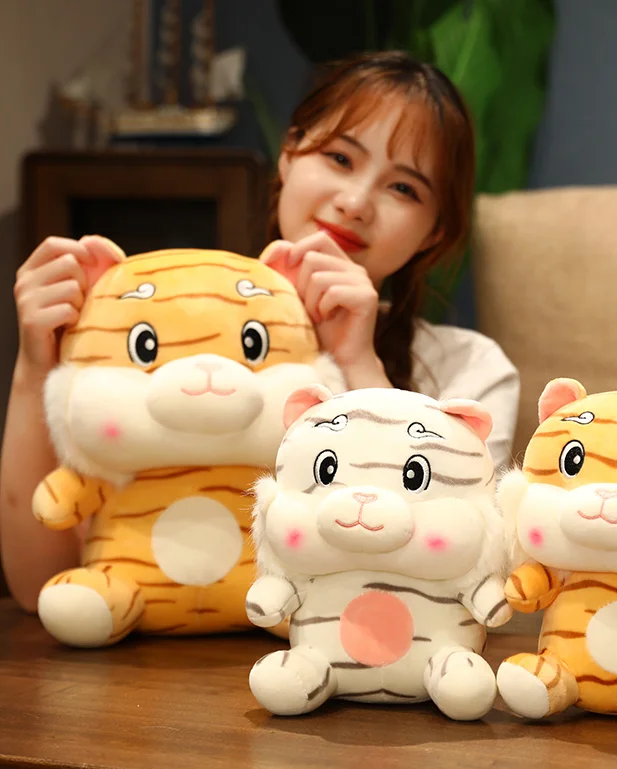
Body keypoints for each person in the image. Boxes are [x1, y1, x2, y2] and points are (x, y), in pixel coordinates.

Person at [0, 50, 519, 613]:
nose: (354, 203)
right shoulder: (167, 331)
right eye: (339, 157)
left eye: (404, 189)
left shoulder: (470, 372)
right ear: (289, 155)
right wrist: (35, 367)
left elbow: (452, 587)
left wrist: (356, 361)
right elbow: (42, 584)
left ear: (434, 232)